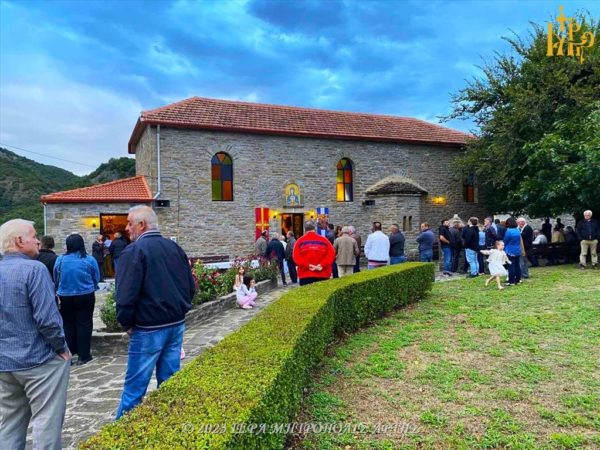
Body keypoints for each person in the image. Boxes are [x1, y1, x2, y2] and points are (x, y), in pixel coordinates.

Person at [115, 205, 196, 419]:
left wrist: (126, 323)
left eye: (129, 223)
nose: (126, 228)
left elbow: (124, 296)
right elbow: (190, 287)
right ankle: (170, 424)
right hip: (175, 325)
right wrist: (180, 310)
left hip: (148, 329)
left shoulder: (134, 251)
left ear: (142, 225)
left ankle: (122, 433)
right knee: (170, 384)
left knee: (134, 392)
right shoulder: (174, 248)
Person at [0, 219, 71, 450]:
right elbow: (47, 319)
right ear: (19, 241)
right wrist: (61, 348)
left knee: (9, 423)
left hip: (5, 363)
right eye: (34, 236)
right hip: (38, 360)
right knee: (46, 422)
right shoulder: (35, 269)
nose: (38, 241)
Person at [54, 234, 100, 366]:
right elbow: (96, 276)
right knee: (84, 323)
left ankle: (69, 354)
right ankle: (84, 355)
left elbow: (56, 277)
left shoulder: (60, 260)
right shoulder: (89, 259)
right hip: (85, 294)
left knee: (68, 324)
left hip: (65, 295)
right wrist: (92, 286)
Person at [292, 220, 336, 286]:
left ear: (304, 229)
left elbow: (296, 257)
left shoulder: (299, 241)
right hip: (323, 274)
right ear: (315, 228)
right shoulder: (324, 240)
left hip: (305, 274)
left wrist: (308, 265)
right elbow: (331, 254)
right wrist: (321, 265)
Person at [503, 217, 522, 285]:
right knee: (517, 265)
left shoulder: (508, 231)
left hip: (510, 250)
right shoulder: (518, 230)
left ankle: (511, 281)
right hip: (517, 249)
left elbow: (505, 240)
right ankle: (518, 279)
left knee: (511, 266)